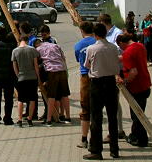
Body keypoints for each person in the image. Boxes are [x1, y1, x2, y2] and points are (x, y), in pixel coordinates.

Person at [83, 22, 121, 161]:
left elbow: (87, 65)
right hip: (111, 82)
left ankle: (96, 150)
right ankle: (114, 149)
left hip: (97, 83)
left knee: (96, 118)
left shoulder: (92, 48)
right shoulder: (113, 47)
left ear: (95, 34)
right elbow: (118, 63)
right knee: (112, 117)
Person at [117, 32, 151, 148]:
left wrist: (125, 81)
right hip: (145, 84)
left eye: (120, 47)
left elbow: (133, 72)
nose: (121, 49)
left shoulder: (128, 52)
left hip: (136, 87)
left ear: (122, 43)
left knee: (136, 115)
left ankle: (141, 139)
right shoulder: (139, 46)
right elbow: (130, 57)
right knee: (139, 112)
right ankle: (135, 135)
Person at [37, 36, 71, 125]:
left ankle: (48, 119)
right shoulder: (56, 46)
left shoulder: (39, 49)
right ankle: (68, 117)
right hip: (62, 70)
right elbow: (63, 58)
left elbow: (37, 62)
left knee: (51, 96)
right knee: (65, 94)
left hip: (51, 71)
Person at [74, 21, 96, 149]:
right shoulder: (97, 42)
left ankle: (84, 139)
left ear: (82, 31)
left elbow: (79, 59)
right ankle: (97, 137)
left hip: (85, 77)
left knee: (85, 109)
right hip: (99, 76)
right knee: (97, 109)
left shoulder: (78, 45)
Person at [12, 29, 39, 127]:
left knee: (20, 99)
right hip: (32, 77)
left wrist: (18, 75)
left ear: (19, 40)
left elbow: (15, 66)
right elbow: (36, 65)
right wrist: (38, 77)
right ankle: (30, 119)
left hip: (21, 77)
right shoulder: (32, 50)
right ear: (27, 40)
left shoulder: (15, 51)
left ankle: (19, 120)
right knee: (32, 99)